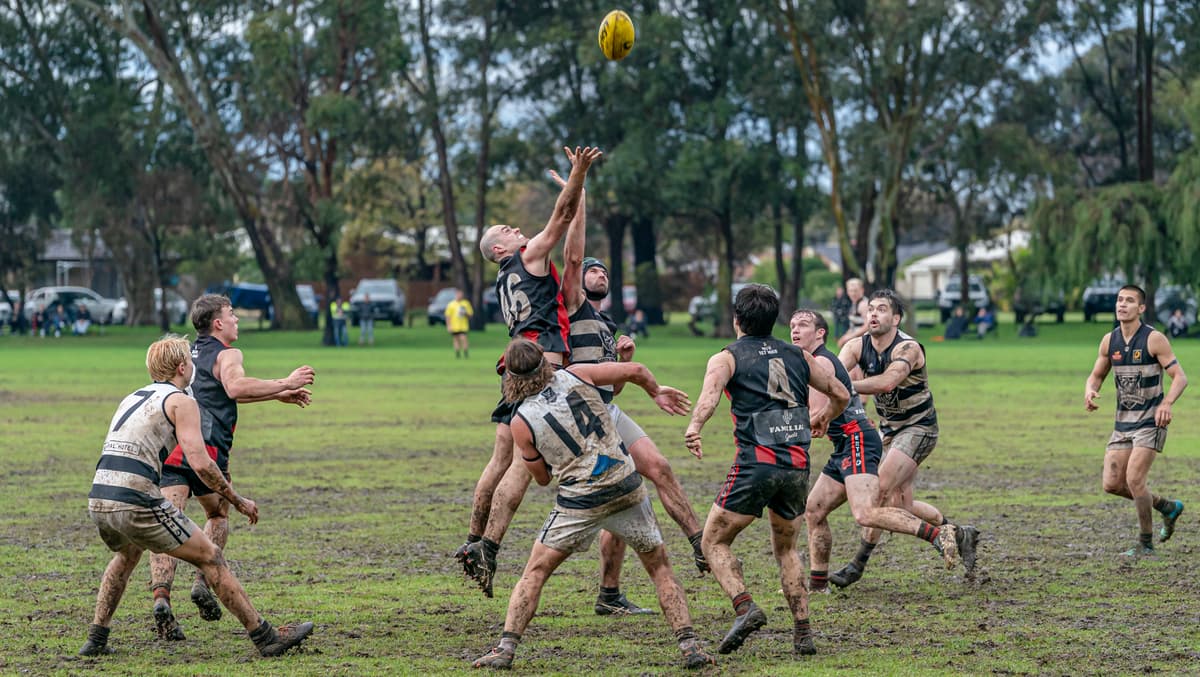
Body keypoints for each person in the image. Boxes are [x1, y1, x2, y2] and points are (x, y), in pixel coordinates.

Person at [465, 249, 707, 611]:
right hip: (565, 410)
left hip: (602, 411)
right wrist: (578, 198)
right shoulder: (572, 303)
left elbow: (614, 387)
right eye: (594, 271)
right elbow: (573, 259)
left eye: (606, 273)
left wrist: (623, 361)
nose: (601, 275)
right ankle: (485, 546)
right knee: (517, 466)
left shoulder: (606, 326)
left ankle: (693, 548)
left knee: (650, 472)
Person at [471, 339, 714, 670]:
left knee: (536, 571)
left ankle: (505, 649)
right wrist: (655, 390)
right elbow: (636, 370)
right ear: (545, 363)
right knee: (659, 568)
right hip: (626, 484)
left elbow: (541, 479)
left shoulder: (520, 422)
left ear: (509, 379)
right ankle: (690, 647)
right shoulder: (578, 373)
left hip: (580, 500)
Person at [81, 335, 313, 658]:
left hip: (100, 497)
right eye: (190, 361)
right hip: (136, 497)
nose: (194, 366)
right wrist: (237, 499)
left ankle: (96, 638)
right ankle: (266, 637)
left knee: (126, 555)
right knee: (211, 556)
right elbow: (201, 463)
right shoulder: (181, 401)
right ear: (181, 367)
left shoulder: (132, 396)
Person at [455, 146, 601, 588]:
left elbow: (569, 220)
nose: (518, 229)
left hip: (513, 367)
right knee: (522, 462)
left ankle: (473, 539)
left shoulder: (505, 277)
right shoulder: (528, 257)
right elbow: (560, 218)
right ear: (500, 247)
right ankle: (491, 550)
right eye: (509, 229)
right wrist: (578, 174)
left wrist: (578, 192)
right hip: (542, 366)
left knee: (498, 458)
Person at [683, 285, 849, 657]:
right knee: (787, 547)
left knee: (712, 542)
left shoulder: (726, 357)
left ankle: (745, 607)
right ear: (774, 319)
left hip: (756, 464)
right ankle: (803, 632)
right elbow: (841, 394)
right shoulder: (800, 356)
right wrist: (822, 417)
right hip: (796, 465)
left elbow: (709, 397)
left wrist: (694, 427)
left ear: (737, 319)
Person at [148, 295, 314, 641]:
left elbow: (222, 392)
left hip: (174, 450)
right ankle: (202, 583)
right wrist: (285, 382)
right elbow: (235, 386)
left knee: (167, 526)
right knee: (218, 516)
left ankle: (161, 598)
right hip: (209, 454)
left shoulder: (185, 356)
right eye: (232, 314)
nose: (237, 319)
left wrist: (273, 395)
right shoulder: (229, 354)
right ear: (218, 323)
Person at [789, 309, 977, 593]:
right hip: (847, 443)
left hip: (861, 440)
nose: (794, 330)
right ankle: (817, 585)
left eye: (802, 325)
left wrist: (784, 424)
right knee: (815, 510)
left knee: (867, 512)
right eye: (791, 325)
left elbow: (816, 415)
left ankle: (938, 535)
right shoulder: (821, 361)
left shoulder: (822, 363)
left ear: (820, 333)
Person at [1084, 284, 1187, 556]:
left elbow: (1180, 377)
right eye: (1119, 300)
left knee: (1135, 480)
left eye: (1129, 301)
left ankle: (1145, 543)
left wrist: (1166, 403)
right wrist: (1090, 389)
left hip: (1151, 422)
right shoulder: (1110, 341)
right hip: (1123, 423)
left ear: (1141, 308)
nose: (1122, 305)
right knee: (1111, 484)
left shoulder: (1154, 339)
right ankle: (1167, 507)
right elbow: (1096, 374)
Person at [836, 278, 869, 348]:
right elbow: (855, 325)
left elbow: (867, 326)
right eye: (851, 291)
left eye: (856, 291)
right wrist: (846, 335)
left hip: (865, 342)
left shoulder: (863, 304)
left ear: (862, 290)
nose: (853, 293)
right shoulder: (855, 303)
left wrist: (849, 337)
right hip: (858, 340)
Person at [445, 289, 473, 358]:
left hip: (463, 325)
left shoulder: (466, 303)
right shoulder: (451, 304)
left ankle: (465, 353)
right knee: (456, 339)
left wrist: (465, 313)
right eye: (458, 294)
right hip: (454, 325)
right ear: (456, 295)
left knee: (464, 338)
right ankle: (457, 354)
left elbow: (470, 314)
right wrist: (448, 325)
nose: (459, 296)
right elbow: (448, 316)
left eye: (461, 295)